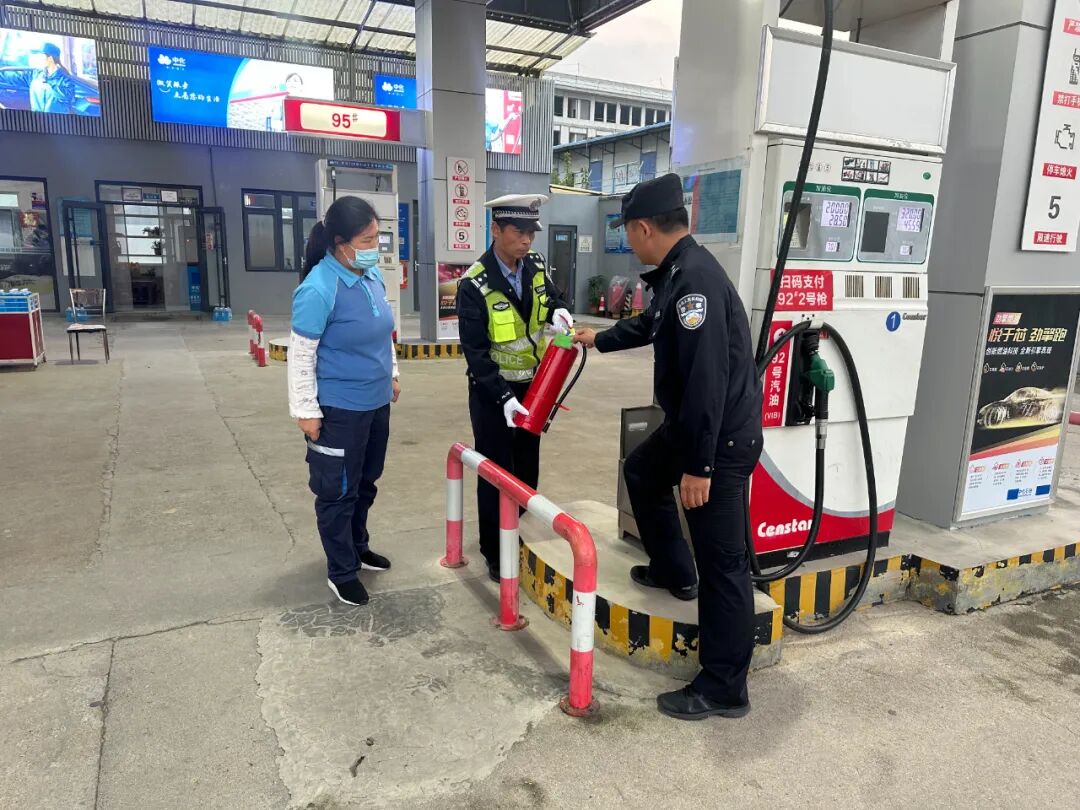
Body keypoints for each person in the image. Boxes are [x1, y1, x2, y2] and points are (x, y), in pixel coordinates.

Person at [574, 173, 763, 721]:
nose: (629, 242)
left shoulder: (695, 282)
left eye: (627, 232)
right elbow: (652, 324)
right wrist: (599, 338)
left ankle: (724, 686)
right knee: (642, 471)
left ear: (643, 228)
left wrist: (700, 467)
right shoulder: (680, 272)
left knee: (723, 563)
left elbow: (707, 381)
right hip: (693, 427)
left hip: (718, 441)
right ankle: (674, 571)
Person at [288, 196, 401, 607]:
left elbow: (382, 332)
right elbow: (302, 355)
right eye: (367, 240)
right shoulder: (318, 288)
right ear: (339, 242)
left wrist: (392, 373)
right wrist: (305, 411)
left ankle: (357, 547)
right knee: (337, 492)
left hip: (376, 403)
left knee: (366, 482)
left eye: (377, 238)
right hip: (339, 409)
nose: (375, 248)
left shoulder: (371, 277)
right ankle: (341, 571)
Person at [456, 193, 573, 582]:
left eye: (531, 233)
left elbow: (549, 296)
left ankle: (515, 532)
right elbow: (475, 353)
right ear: (496, 230)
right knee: (496, 474)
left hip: (533, 389)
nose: (526, 241)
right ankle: (494, 550)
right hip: (493, 395)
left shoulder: (534, 265)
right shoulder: (474, 284)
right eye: (518, 232)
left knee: (525, 469)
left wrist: (558, 308)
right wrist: (503, 396)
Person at [0, 41, 76, 114]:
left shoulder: (65, 80)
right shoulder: (36, 75)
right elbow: (15, 77)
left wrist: (48, 84)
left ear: (50, 58)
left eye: (40, 56)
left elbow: (67, 98)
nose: (38, 59)